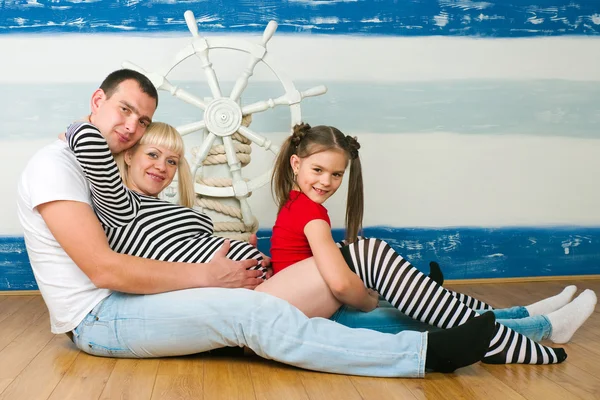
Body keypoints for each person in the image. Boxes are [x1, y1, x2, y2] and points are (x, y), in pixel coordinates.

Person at [17, 68, 497, 377]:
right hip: (102, 315)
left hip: (161, 294)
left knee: (344, 275)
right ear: (97, 100)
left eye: (143, 120)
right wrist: (212, 276)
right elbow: (106, 271)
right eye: (124, 111)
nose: (131, 126)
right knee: (256, 314)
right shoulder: (62, 167)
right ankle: (419, 357)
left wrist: (237, 261)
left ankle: (472, 322)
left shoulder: (149, 199)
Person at [69, 112, 592, 347]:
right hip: (249, 303)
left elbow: (206, 244)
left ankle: (518, 318)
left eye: (171, 157)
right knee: (364, 263)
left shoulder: (188, 211)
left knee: (391, 315)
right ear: (127, 154)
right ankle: (530, 330)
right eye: (150, 154)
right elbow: (87, 142)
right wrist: (88, 122)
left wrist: (240, 250)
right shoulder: (121, 207)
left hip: (269, 282)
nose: (160, 165)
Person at [265, 122, 598, 364]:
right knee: (428, 319)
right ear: (296, 164)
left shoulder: (294, 206)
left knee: (426, 307)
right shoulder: (311, 216)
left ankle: (522, 313)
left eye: (336, 174)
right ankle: (542, 326)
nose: (326, 181)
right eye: (318, 169)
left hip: (321, 308)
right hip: (327, 318)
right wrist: (366, 300)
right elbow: (338, 283)